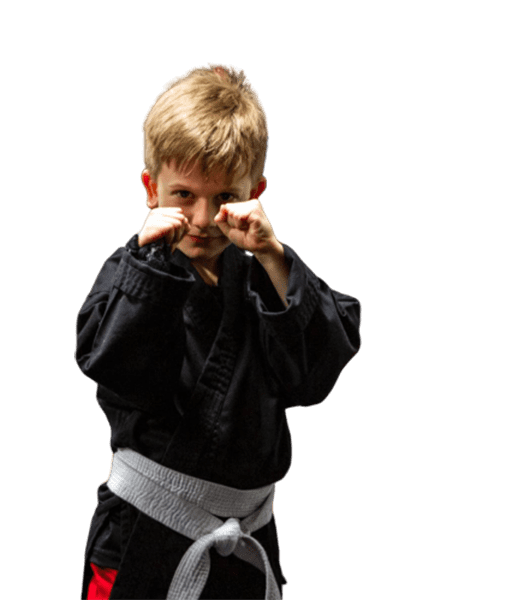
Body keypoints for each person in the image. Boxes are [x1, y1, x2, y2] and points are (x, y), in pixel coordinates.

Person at [74, 63, 362, 600]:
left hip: (243, 542)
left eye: (224, 196)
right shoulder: (131, 271)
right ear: (150, 188)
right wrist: (148, 266)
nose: (204, 218)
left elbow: (313, 379)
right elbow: (115, 369)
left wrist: (276, 257)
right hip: (142, 537)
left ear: (256, 191)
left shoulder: (266, 276)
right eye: (183, 195)